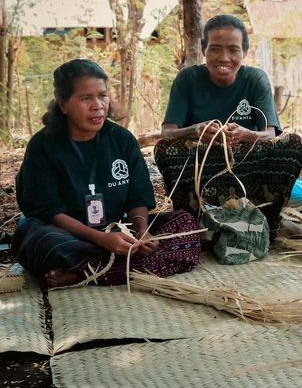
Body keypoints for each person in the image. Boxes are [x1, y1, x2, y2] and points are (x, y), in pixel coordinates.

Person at [14, 59, 201, 287]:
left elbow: (137, 196)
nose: (98, 105)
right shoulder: (43, 146)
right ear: (63, 104)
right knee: (43, 242)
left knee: (184, 224)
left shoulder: (121, 139)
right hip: (67, 234)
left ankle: (86, 273)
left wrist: (142, 232)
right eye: (86, 98)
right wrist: (102, 240)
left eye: (102, 95)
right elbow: (49, 212)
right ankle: (117, 268)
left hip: (116, 229)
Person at [154, 14, 302, 235]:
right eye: (215, 48)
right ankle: (195, 223)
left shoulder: (255, 79)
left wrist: (247, 135)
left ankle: (264, 219)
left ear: (243, 53)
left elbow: (271, 133)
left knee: (292, 144)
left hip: (246, 168)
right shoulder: (187, 79)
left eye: (233, 50)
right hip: (202, 168)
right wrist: (195, 131)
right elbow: (167, 132)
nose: (224, 57)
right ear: (204, 50)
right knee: (165, 149)